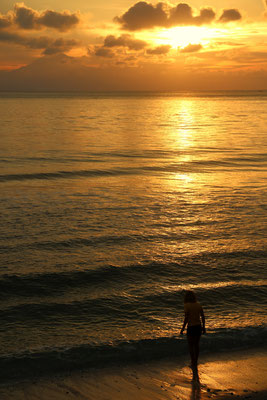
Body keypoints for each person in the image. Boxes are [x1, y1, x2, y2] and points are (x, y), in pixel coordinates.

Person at [180, 290, 206, 378]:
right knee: (196, 345)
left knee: (191, 345)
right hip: (198, 326)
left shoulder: (186, 305)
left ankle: (192, 361)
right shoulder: (198, 304)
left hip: (191, 327)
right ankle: (196, 361)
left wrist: (182, 328)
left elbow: (186, 318)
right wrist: (204, 327)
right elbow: (202, 316)